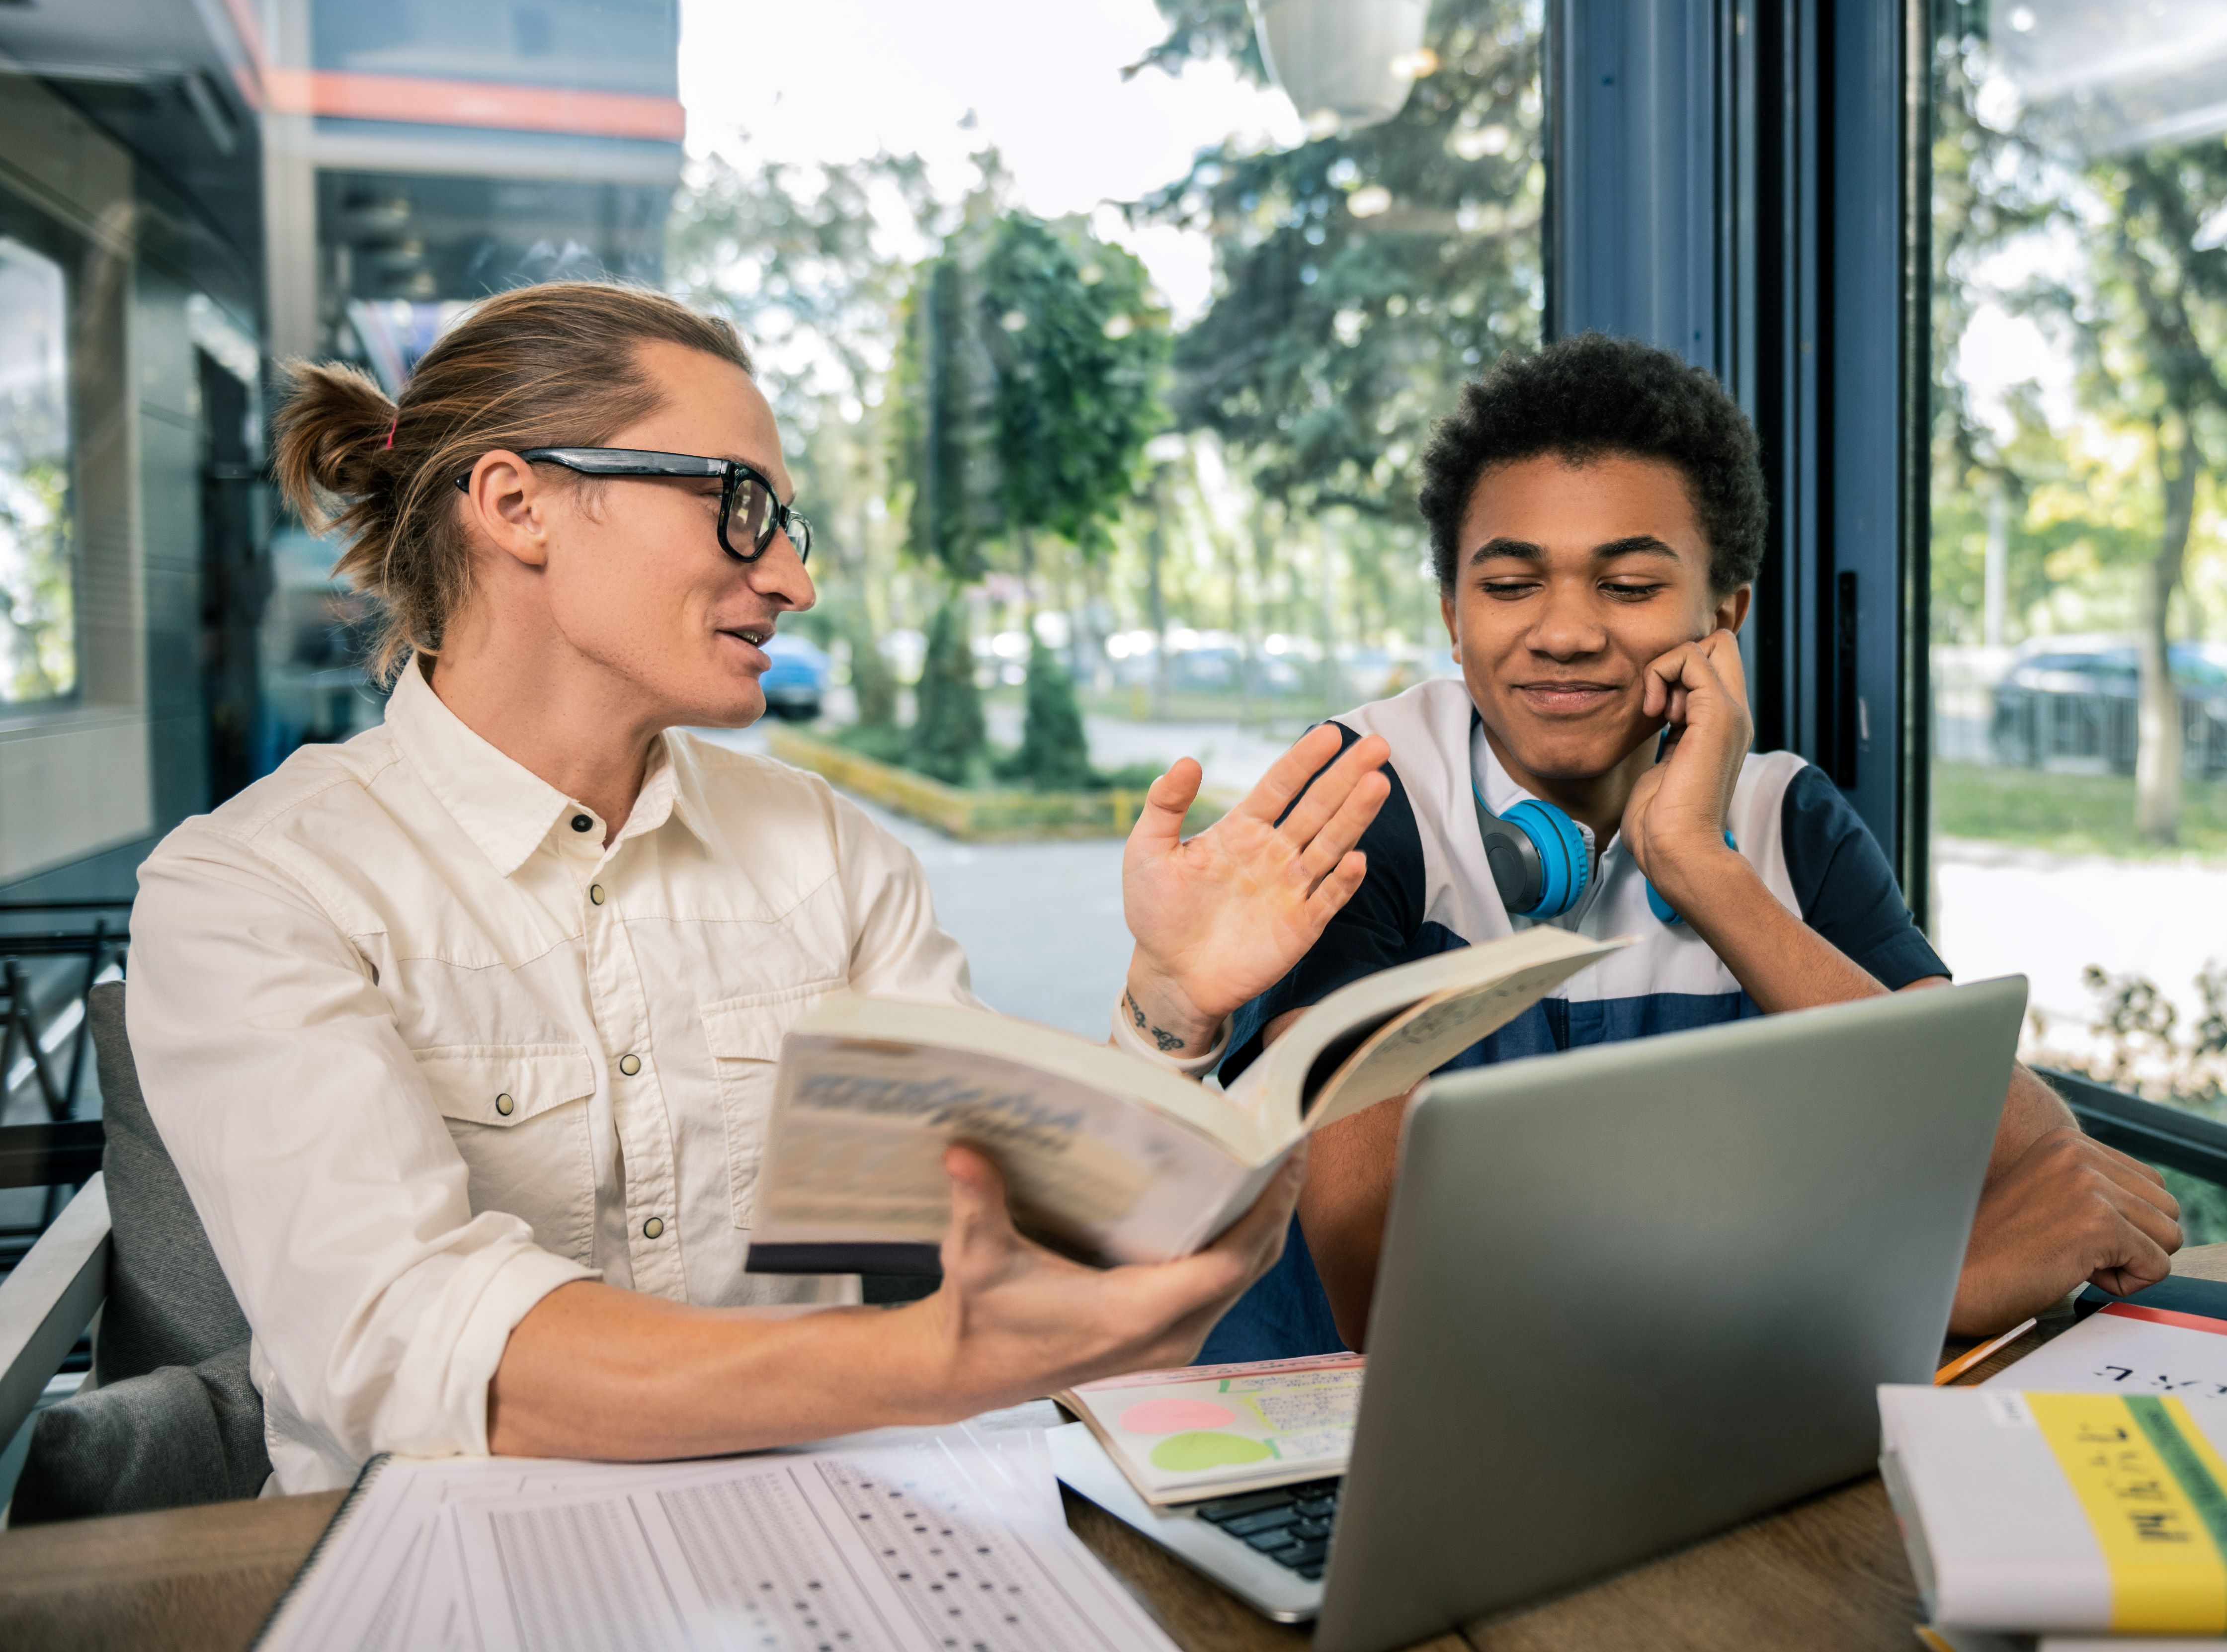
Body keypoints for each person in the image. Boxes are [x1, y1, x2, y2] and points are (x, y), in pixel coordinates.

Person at [126, 281, 1395, 1493]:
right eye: (739, 503)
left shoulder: (826, 853)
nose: (790, 577)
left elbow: (1003, 1242)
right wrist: (924, 1364)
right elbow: (407, 1344)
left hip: (827, 1547)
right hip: (436, 1575)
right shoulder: (255, 888)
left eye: (785, 523)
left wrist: (1166, 1005)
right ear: (518, 505)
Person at [1191, 333, 2183, 1362]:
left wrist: (1699, 865)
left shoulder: (1785, 817)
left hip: (1684, 1433)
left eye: (1626, 586)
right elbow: (1399, 1302)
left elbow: (2023, 1166)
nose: (1565, 632)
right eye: (1509, 585)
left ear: (1722, 615)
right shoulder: (1357, 802)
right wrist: (1936, 1288)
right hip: (1326, 1443)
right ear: (1452, 615)